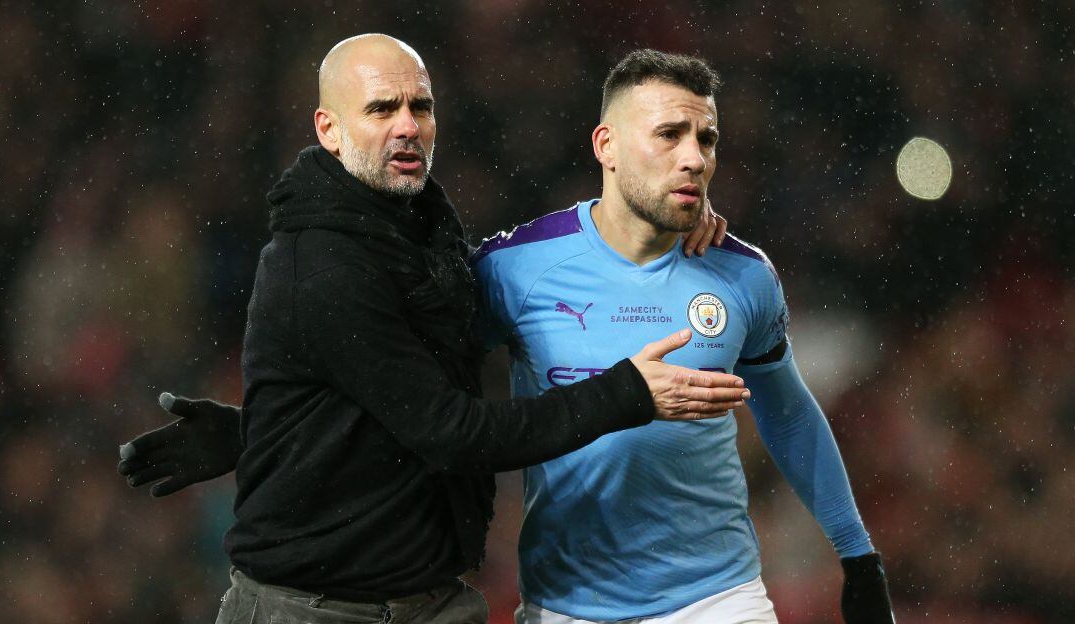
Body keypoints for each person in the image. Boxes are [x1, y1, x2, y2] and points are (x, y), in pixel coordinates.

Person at [117, 35, 745, 624]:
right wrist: (627, 394)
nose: (408, 124)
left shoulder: (417, 231)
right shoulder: (324, 266)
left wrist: (674, 211)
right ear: (328, 130)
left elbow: (381, 394)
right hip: (314, 611)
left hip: (432, 603)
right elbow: (452, 433)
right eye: (381, 108)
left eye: (421, 105)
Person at [470, 49, 894, 623]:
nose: (694, 157)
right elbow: (430, 394)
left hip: (719, 601)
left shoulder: (743, 274)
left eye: (707, 138)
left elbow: (788, 412)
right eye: (669, 134)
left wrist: (858, 554)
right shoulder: (515, 268)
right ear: (607, 146)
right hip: (564, 605)